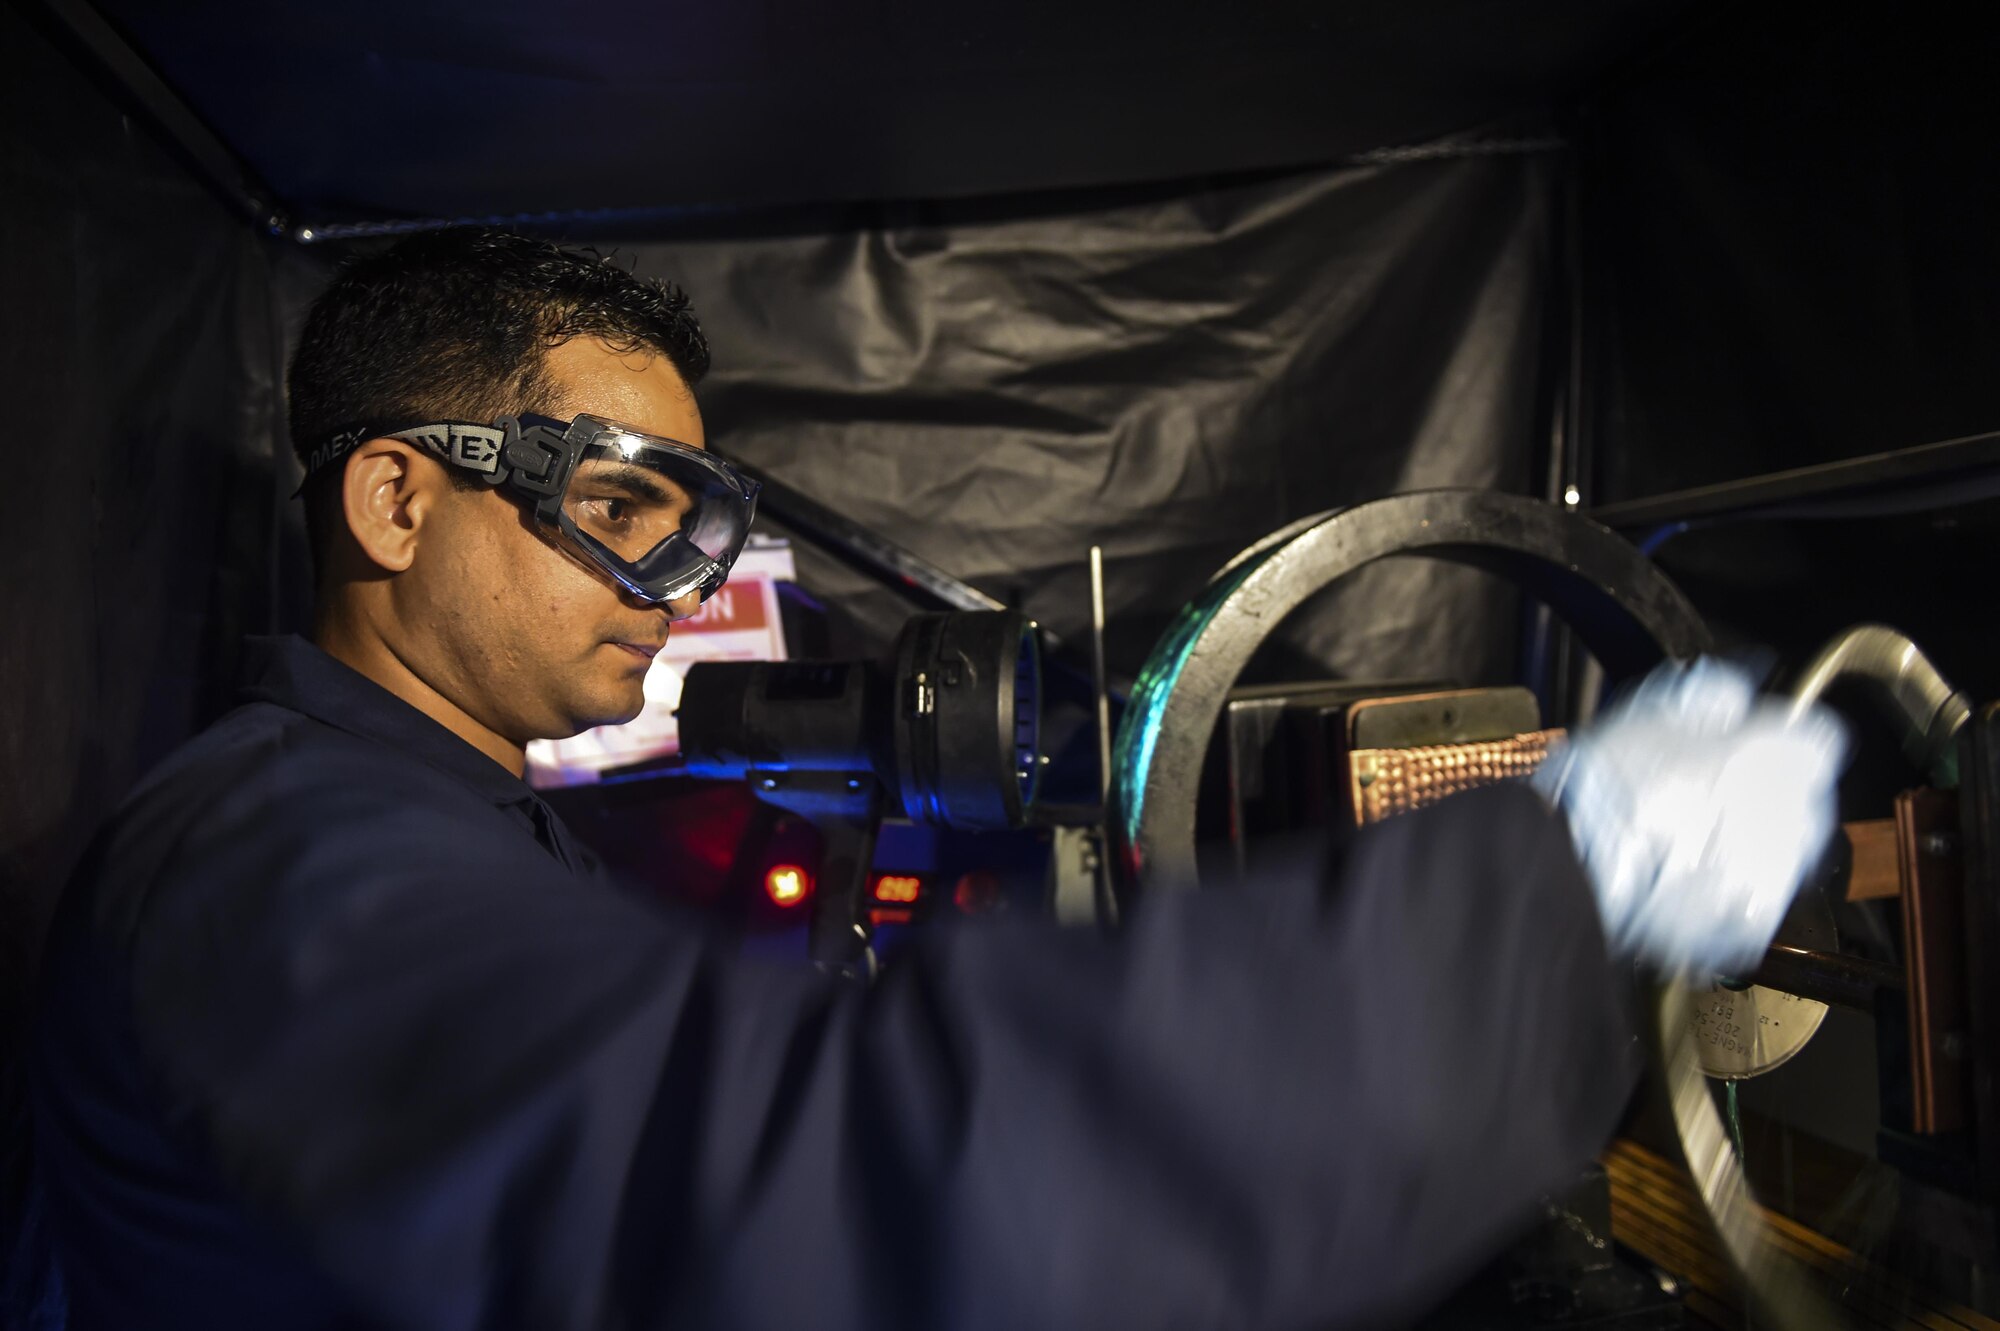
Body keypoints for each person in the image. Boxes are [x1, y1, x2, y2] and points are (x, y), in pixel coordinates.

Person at [27, 228, 1843, 1331]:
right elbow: (777, 1190)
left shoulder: (461, 815)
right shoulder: (268, 870)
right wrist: (1540, 905)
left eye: (691, 529)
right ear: (397, 497)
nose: (672, 597)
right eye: (619, 514)